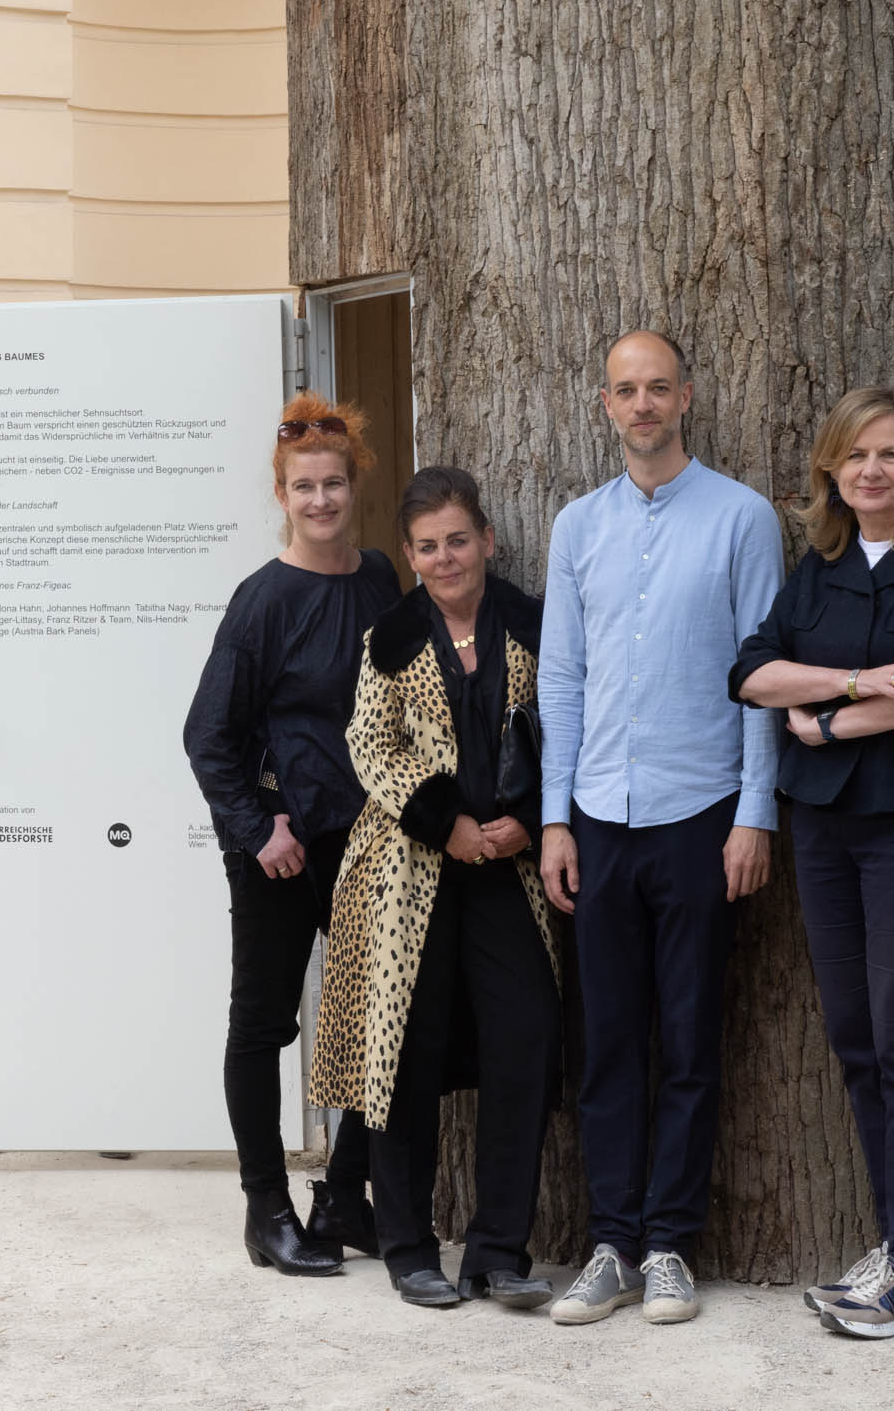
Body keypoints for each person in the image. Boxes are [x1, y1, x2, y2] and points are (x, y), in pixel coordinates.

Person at [730, 388, 894, 1339]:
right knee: (852, 1035)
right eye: (854, 459)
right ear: (831, 475)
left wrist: (824, 718)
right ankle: (893, 1242)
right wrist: (856, 682)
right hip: (826, 830)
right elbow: (753, 673)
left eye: (888, 455)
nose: (872, 472)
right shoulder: (820, 564)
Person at [538, 330, 786, 1328]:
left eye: (657, 388)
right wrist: (554, 817)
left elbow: (762, 677)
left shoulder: (740, 518)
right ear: (605, 403)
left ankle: (671, 1242)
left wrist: (755, 813)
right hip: (598, 817)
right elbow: (562, 674)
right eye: (624, 390)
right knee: (606, 1041)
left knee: (686, 1038)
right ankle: (609, 1240)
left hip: (701, 816)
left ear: (685, 395)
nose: (642, 405)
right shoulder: (576, 526)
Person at [309, 467, 563, 1311]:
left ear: (486, 540)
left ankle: (498, 1250)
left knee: (522, 1040)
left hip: (509, 868)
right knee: (403, 1057)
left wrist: (528, 816)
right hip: (405, 875)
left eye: (459, 539)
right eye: (427, 546)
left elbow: (571, 722)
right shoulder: (392, 637)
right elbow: (369, 743)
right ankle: (408, 1246)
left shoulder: (533, 624)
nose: (445, 558)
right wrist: (443, 819)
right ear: (411, 556)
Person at [182, 393, 402, 1277]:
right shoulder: (262, 600)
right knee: (262, 1025)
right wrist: (254, 829)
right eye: (303, 487)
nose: (320, 500)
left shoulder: (383, 579)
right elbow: (208, 736)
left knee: (373, 1024)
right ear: (282, 494)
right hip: (280, 852)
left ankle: (345, 1197)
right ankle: (265, 1208)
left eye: (334, 484)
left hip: (368, 846)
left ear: (356, 487)